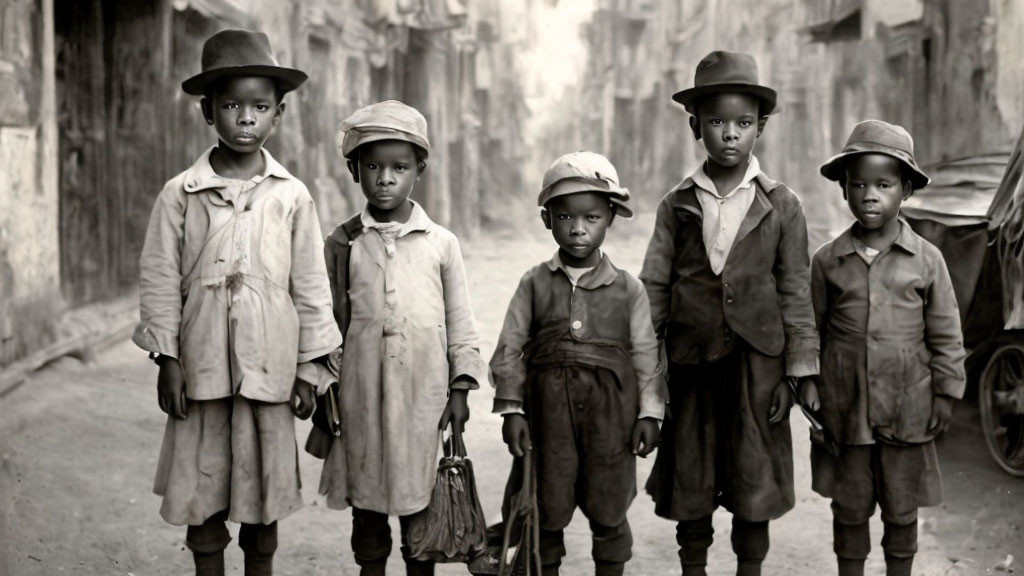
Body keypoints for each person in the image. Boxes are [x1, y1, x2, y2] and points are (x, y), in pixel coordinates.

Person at [132, 29, 341, 576]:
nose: (245, 119)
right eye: (231, 105)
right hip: (200, 372)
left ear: (279, 114)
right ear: (207, 112)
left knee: (261, 497)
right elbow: (158, 279)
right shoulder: (181, 193)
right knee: (203, 494)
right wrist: (167, 360)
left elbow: (311, 286)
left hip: (268, 370)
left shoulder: (291, 195)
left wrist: (310, 369)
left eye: (260, 106)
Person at [640, 50, 819, 576]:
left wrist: (799, 372)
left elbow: (795, 290)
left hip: (757, 368)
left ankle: (750, 568)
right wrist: (648, 376)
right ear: (696, 126)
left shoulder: (782, 204)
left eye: (743, 123)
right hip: (691, 365)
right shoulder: (676, 203)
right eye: (716, 122)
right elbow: (654, 287)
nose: (730, 134)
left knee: (752, 479)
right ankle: (692, 565)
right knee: (691, 477)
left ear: (760, 128)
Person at [316, 100, 489, 576]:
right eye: (372, 166)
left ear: (420, 169)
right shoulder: (343, 242)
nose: (385, 178)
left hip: (423, 397)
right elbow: (327, 324)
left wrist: (460, 389)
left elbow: (460, 321)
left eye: (399, 167)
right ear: (354, 171)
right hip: (361, 396)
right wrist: (324, 386)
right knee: (367, 506)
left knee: (421, 507)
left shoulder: (440, 243)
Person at [802, 120, 966, 576]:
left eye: (884, 184)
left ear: (906, 190)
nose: (870, 194)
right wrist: (809, 382)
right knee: (850, 507)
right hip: (845, 405)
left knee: (901, 508)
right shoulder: (828, 261)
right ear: (844, 191)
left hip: (907, 404)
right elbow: (809, 329)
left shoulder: (928, 260)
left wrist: (947, 392)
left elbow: (946, 333)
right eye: (858, 184)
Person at [490, 151, 665, 576]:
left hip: (612, 420)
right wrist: (512, 409)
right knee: (545, 509)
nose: (578, 229)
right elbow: (509, 347)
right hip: (548, 420)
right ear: (548, 219)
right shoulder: (534, 283)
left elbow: (646, 355)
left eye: (591, 217)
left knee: (610, 508)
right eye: (565, 217)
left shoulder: (628, 289)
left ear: (610, 218)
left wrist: (650, 413)